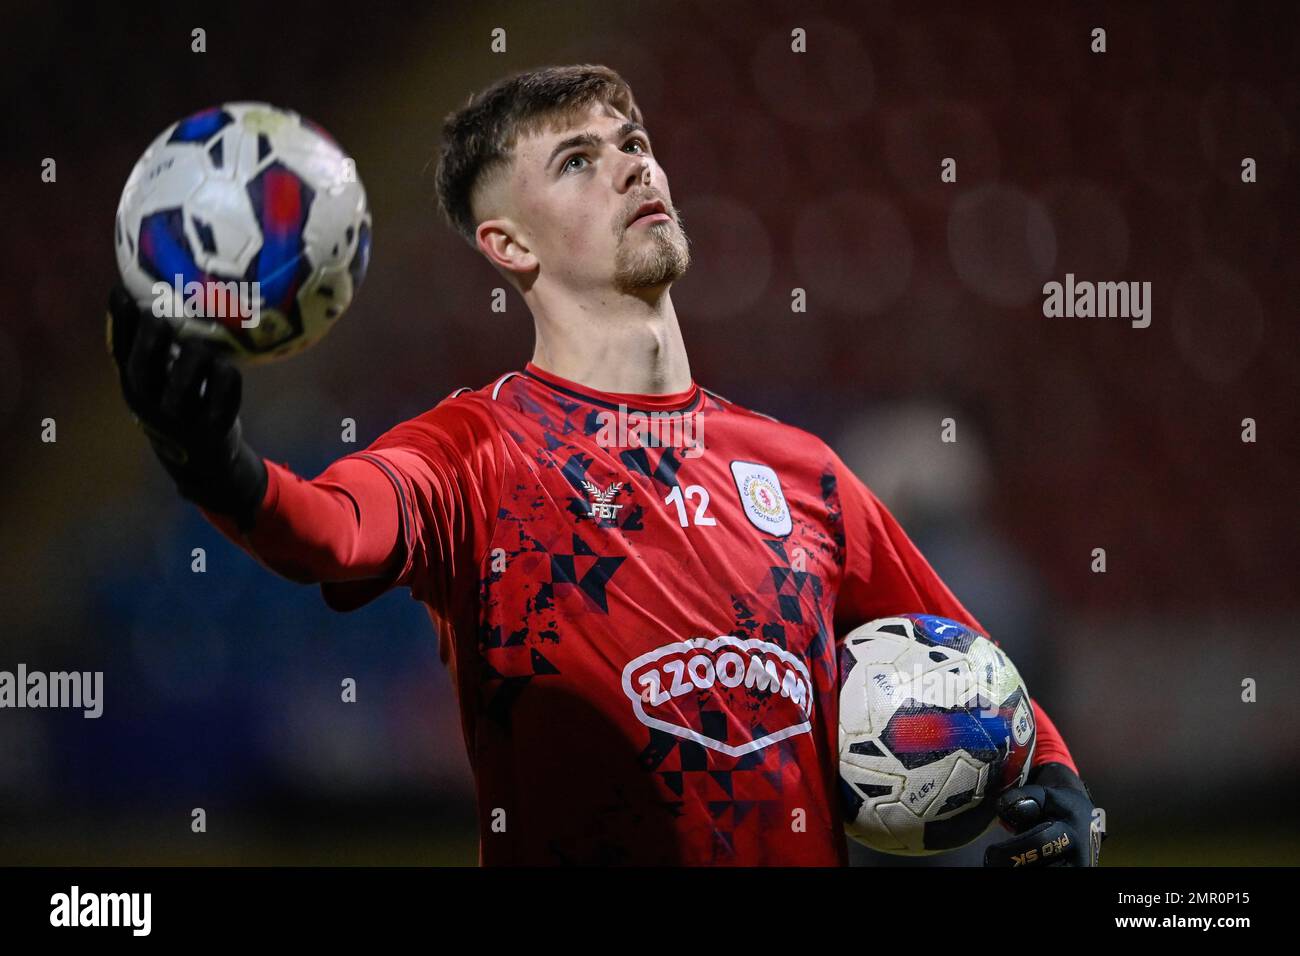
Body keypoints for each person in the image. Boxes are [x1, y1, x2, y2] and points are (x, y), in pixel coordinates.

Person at [108, 64, 1101, 867]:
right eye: (579, 160)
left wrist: (1057, 786)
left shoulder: (804, 471)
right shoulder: (474, 449)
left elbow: (978, 671)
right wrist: (218, 467)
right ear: (508, 244)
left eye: (635, 144)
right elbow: (331, 530)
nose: (634, 168)